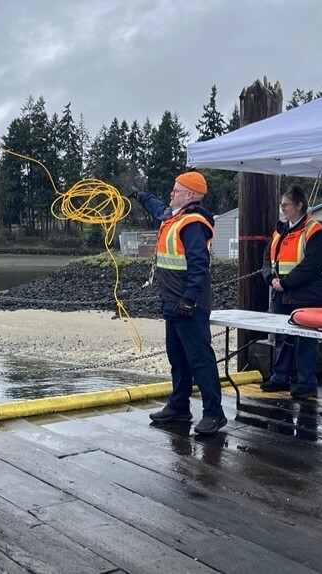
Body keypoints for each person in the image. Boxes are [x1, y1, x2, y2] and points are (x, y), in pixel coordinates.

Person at [134, 171, 227, 435]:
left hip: (189, 305)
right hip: (172, 302)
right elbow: (158, 209)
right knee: (178, 358)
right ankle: (179, 406)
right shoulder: (174, 218)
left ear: (190, 195)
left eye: (176, 190)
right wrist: (141, 196)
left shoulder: (193, 224)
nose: (171, 194)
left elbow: (199, 265)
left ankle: (214, 413)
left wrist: (188, 300)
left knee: (200, 360)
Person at [260, 184, 322, 399]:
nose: (282, 209)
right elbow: (267, 259)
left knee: (306, 340)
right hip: (284, 294)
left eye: (286, 205)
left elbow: (313, 265)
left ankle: (307, 383)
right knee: (283, 337)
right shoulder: (280, 232)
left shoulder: (315, 231)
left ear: (299, 205)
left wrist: (285, 282)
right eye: (281, 205)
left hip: (309, 296)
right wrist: (271, 279)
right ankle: (280, 378)